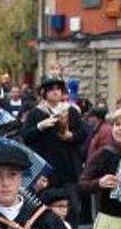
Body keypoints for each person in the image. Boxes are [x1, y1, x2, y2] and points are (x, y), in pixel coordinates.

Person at [22, 78, 83, 212]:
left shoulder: (71, 111)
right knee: (44, 205)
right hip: (46, 168)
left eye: (58, 89)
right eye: (51, 90)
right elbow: (26, 136)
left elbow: (82, 135)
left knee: (70, 205)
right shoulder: (36, 113)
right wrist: (40, 126)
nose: (55, 93)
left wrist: (70, 136)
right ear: (44, 93)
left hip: (68, 167)